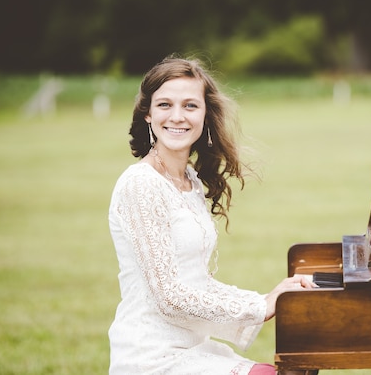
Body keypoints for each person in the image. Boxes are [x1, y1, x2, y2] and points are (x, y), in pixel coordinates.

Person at [108, 56, 316, 375]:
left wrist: (271, 296)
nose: (177, 116)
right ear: (148, 113)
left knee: (301, 367)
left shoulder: (188, 180)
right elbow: (170, 296)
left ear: (205, 114)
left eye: (190, 106)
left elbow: (197, 282)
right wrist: (259, 307)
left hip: (191, 347)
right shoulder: (141, 184)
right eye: (165, 105)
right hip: (151, 355)